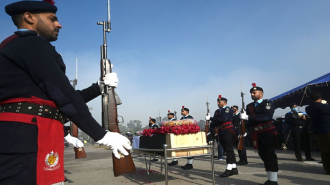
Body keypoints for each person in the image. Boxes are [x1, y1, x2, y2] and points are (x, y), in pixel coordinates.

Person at [0, 1, 131, 184]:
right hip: (29, 137)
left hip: (28, 134)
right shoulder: (31, 44)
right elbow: (63, 93)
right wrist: (102, 135)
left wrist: (99, 87)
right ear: (29, 18)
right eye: (52, 19)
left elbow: (56, 97)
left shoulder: (16, 46)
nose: (58, 24)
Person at [240, 83, 279, 185]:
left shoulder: (268, 103)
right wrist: (244, 129)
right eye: (251, 93)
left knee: (270, 155)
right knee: (263, 155)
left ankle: (274, 181)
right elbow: (248, 122)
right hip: (256, 133)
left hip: (267, 132)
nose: (252, 94)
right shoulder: (249, 106)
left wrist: (248, 117)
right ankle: (270, 178)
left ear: (261, 94)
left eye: (254, 92)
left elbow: (267, 117)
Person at [206, 95, 238, 177]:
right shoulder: (217, 111)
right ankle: (234, 169)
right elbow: (214, 123)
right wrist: (210, 130)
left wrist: (211, 118)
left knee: (228, 149)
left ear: (224, 102)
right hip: (220, 131)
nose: (218, 103)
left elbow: (224, 119)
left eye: (219, 102)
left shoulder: (227, 109)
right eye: (217, 101)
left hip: (227, 130)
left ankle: (229, 169)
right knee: (228, 150)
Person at [305, 91, 330, 175]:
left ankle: (328, 169)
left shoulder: (308, 108)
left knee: (324, 151)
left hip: (318, 131)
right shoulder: (325, 107)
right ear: (320, 98)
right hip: (328, 130)